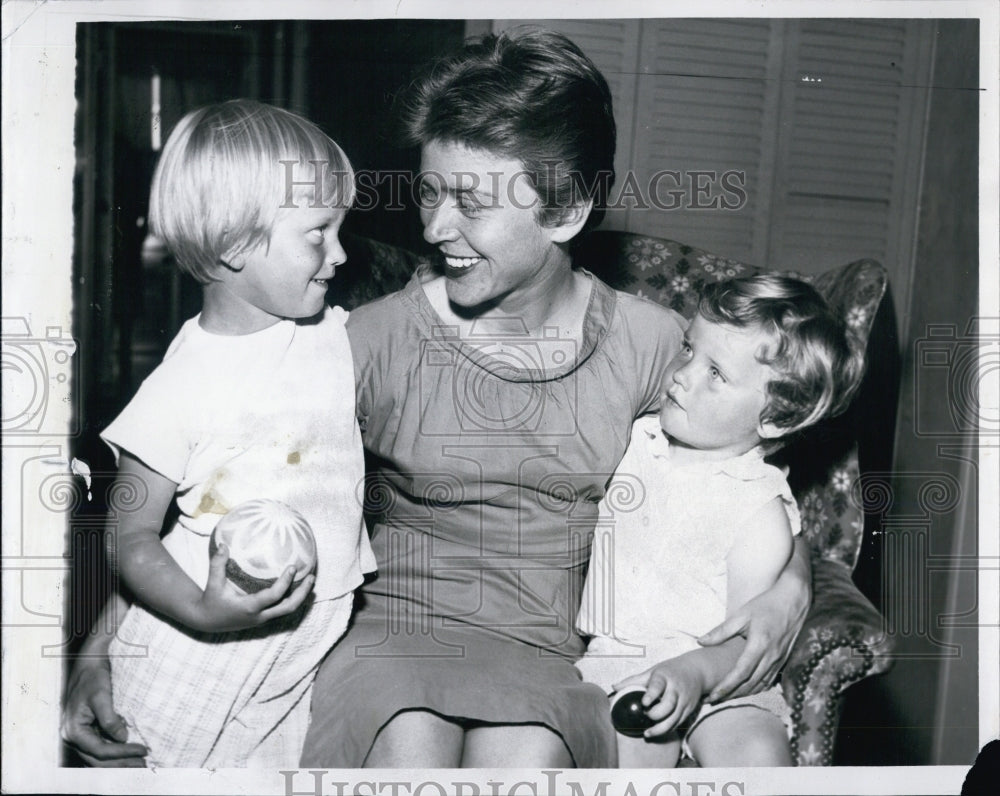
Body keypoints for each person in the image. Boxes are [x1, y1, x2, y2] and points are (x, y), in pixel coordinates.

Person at [62, 30, 811, 769]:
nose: (432, 226)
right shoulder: (368, 339)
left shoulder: (652, 346)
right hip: (392, 635)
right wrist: (101, 651)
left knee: (529, 766)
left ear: (566, 213)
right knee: (406, 749)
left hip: (544, 650)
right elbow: (213, 488)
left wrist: (791, 590)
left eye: (468, 203)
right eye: (429, 191)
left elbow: (738, 478)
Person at [79, 99, 375, 767]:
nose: (340, 253)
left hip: (299, 651)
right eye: (318, 233)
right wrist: (202, 611)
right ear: (236, 243)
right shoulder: (181, 386)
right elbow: (127, 534)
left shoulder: (336, 334)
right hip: (193, 646)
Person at [576, 275, 865, 767]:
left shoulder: (758, 509)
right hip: (615, 663)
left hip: (720, 679)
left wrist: (693, 674)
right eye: (689, 350)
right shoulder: (633, 444)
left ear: (775, 418)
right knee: (627, 747)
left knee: (758, 753)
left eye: (716, 373)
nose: (683, 374)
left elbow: (746, 636)